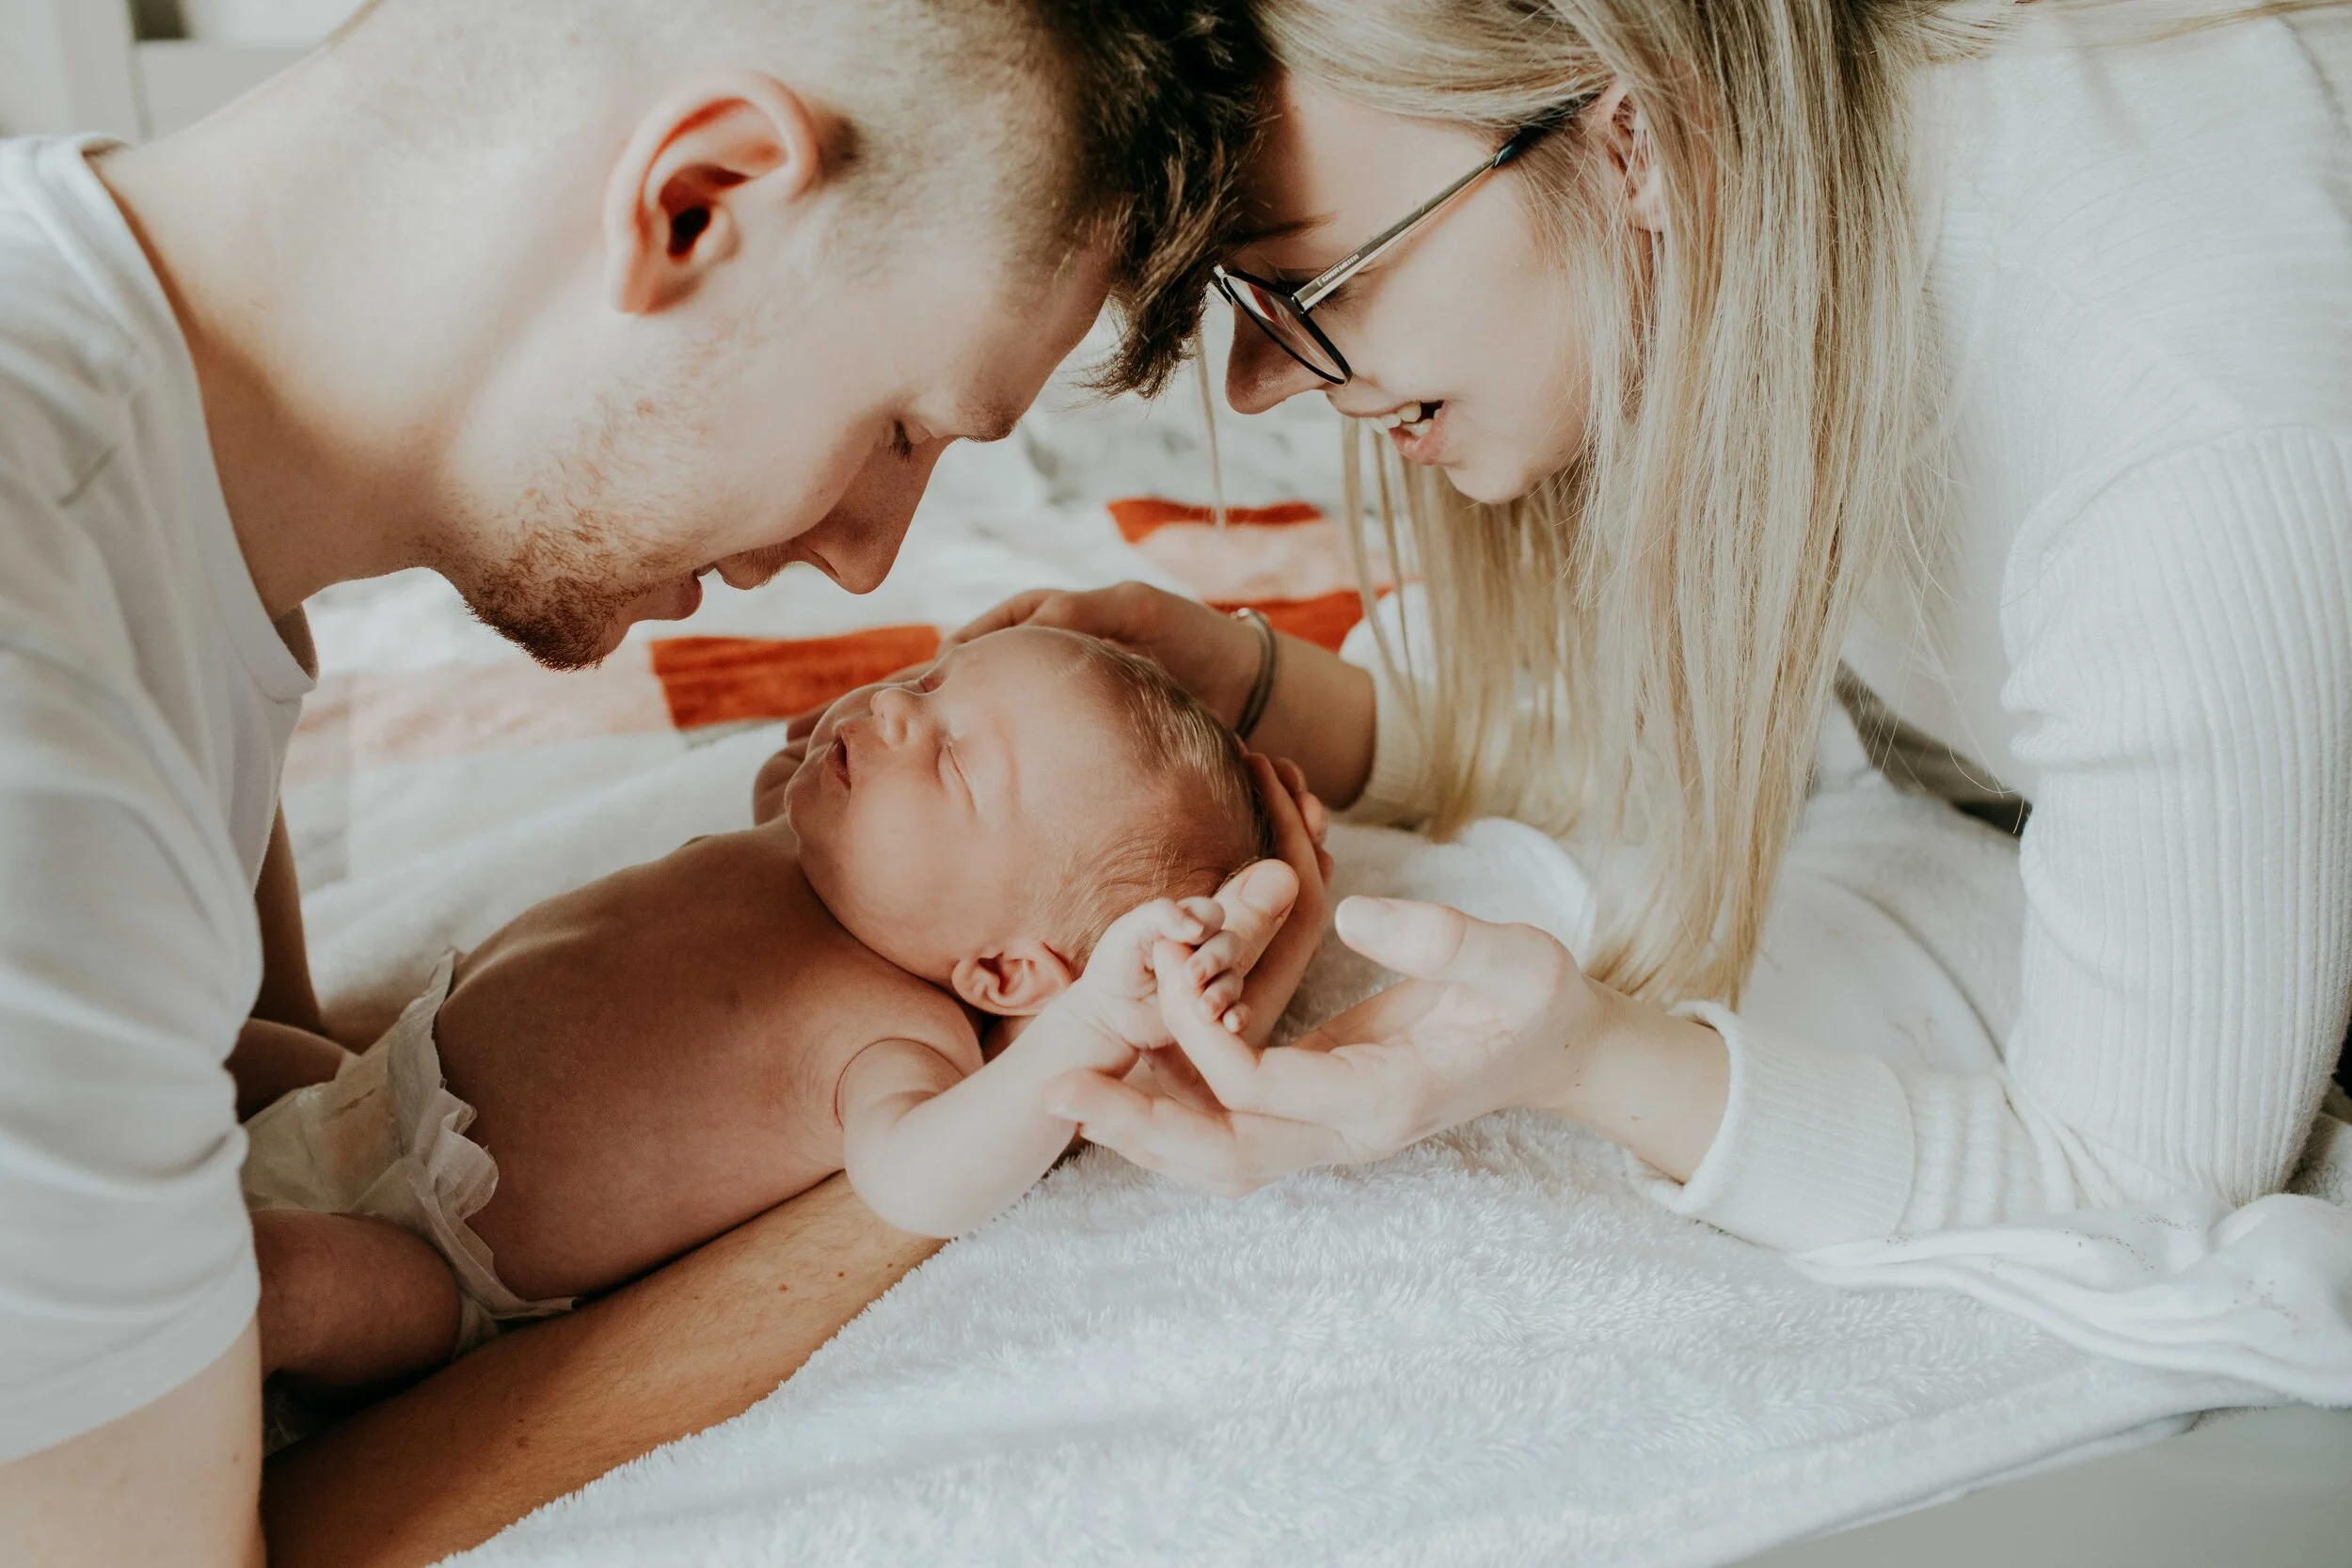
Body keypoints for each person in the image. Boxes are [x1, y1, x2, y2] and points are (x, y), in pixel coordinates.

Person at [0, 1, 1285, 1560]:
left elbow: (242, 1093)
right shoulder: (42, 747)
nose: (873, 554)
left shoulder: (168, 543)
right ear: (700, 204)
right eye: (899, 426)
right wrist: (1054, 1103)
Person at [963, 0, 2352, 1242]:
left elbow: (2140, 1182)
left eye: (1308, 284)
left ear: (1636, 132)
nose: (1260, 380)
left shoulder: (2179, 435)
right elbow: (1763, 697)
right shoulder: (1794, 211)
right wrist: (1260, 690)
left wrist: (1587, 1061)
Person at [240, 627, 1315, 1419]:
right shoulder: (816, 852)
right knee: (219, 1046)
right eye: (929, 680)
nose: (892, 708)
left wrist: (1086, 1027)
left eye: (948, 758)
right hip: (355, 1086)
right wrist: (807, 774)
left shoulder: (887, 1036)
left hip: (421, 1253)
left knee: (270, 1277)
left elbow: (919, 1181)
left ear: (1001, 969)